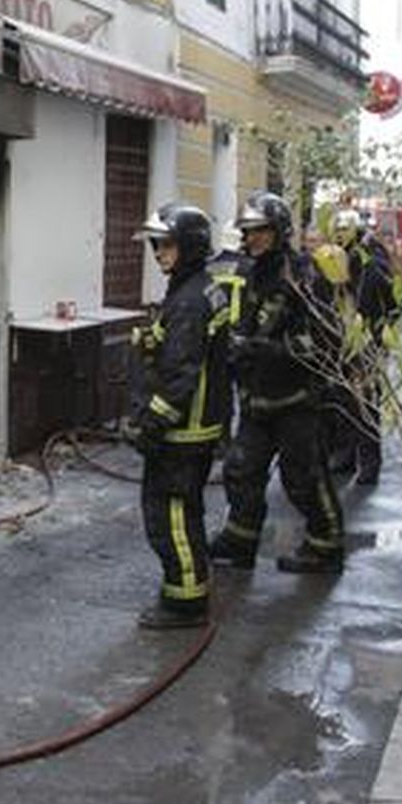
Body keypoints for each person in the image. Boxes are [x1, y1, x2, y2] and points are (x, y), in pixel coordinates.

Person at [209, 191, 347, 574]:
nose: (250, 239)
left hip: (298, 400)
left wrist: (266, 348)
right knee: (241, 470)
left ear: (279, 231)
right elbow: (243, 321)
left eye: (259, 231)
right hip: (257, 397)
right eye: (247, 232)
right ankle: (240, 540)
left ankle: (325, 545)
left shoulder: (304, 274)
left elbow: (325, 341)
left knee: (302, 478)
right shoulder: (253, 272)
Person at [126, 203, 234, 629]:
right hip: (199, 427)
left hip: (181, 433)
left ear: (189, 245)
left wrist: (150, 426)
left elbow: (178, 377)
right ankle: (187, 588)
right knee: (185, 511)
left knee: (168, 515)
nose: (158, 253)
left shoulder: (189, 301)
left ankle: (185, 603)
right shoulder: (203, 287)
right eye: (156, 244)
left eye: (166, 244)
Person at [327, 207, 398, 486]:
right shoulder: (337, 258)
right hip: (341, 340)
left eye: (343, 232)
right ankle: (346, 455)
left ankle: (370, 462)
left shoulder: (372, 261)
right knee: (343, 400)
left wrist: (375, 335)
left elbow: (388, 302)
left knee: (366, 403)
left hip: (367, 341)